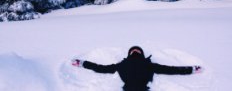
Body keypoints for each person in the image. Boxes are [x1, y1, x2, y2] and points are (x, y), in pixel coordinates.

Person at [71, 46, 203, 91]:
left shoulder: (121, 65)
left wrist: (82, 63)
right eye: (134, 50)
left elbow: (100, 68)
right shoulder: (149, 65)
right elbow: (171, 69)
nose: (135, 52)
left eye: (136, 50)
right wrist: (191, 69)